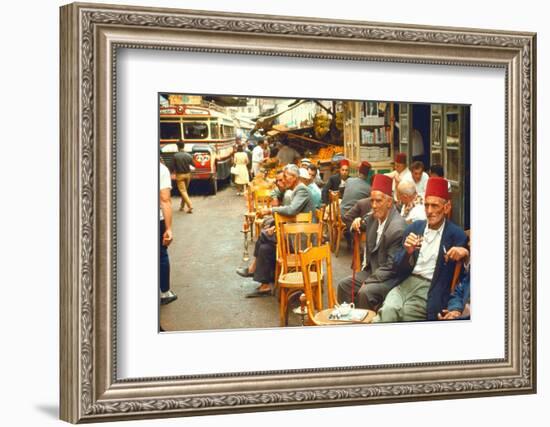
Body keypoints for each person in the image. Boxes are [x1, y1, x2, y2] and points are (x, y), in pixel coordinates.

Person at [372, 177, 468, 323]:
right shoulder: (414, 228)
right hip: (405, 283)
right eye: (426, 205)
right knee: (388, 310)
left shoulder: (456, 235)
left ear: (446, 207)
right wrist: (407, 252)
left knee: (405, 315)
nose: (429, 211)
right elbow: (397, 267)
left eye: (435, 206)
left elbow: (463, 276)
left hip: (430, 288)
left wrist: (465, 254)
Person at [337, 175, 406, 310]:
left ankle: (366, 325)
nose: (374, 206)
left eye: (378, 201)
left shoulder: (397, 228)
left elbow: (391, 268)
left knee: (365, 292)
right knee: (343, 285)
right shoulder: (374, 217)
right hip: (373, 270)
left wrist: (368, 281)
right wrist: (356, 222)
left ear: (389, 202)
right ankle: (350, 321)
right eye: (372, 201)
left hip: (390, 278)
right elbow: (363, 222)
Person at [159, 161, 177, 305]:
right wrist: (168, 228)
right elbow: (165, 199)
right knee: (161, 254)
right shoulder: (161, 169)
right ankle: (164, 292)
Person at [172, 143, 194, 213]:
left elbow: (172, 167)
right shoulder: (189, 155)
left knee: (183, 191)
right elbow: (193, 166)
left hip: (180, 175)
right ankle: (182, 206)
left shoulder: (175, 156)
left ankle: (190, 206)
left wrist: (172, 173)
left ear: (177, 147)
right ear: (183, 146)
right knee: (184, 191)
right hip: (188, 175)